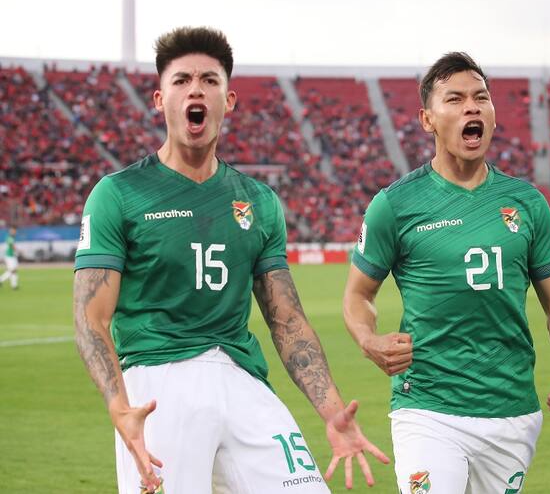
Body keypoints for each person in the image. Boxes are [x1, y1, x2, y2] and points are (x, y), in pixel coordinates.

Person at [73, 26, 388, 494]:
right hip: (159, 385)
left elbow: (286, 319)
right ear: (159, 100)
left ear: (230, 99)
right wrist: (121, 407)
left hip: (241, 377)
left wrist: (332, 412)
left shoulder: (258, 201)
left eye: (209, 80)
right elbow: (90, 316)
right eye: (181, 81)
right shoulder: (118, 194)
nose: (195, 89)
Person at [342, 52, 550, 494]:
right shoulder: (395, 205)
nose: (472, 107)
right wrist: (368, 340)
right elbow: (358, 295)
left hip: (511, 408)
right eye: (454, 99)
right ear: (428, 119)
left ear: (493, 116)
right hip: (427, 406)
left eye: (481, 98)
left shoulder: (527, 203)